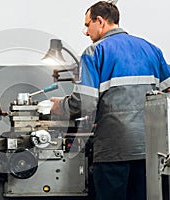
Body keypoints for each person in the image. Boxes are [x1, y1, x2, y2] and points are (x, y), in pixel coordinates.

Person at [50, 1, 170, 200]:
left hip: (114, 150)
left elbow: (84, 103)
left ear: (99, 21)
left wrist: (60, 106)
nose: (87, 32)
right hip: (150, 150)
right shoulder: (151, 49)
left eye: (87, 25)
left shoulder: (94, 52)